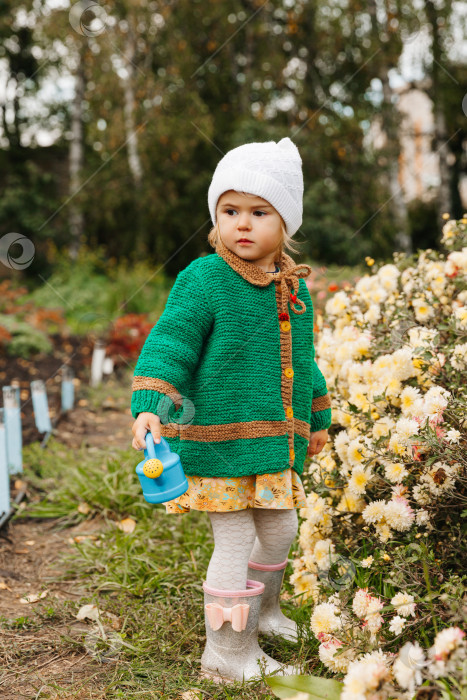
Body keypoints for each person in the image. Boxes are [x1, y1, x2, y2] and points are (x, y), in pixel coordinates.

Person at [130, 137, 332, 684]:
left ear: (285, 223)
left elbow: (304, 360)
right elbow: (172, 342)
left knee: (282, 529)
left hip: (272, 444)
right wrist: (152, 403)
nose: (242, 224)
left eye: (259, 212)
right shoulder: (204, 280)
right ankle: (226, 651)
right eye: (229, 210)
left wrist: (317, 417)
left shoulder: (293, 290)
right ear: (215, 218)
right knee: (236, 538)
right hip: (219, 442)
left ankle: (264, 613)